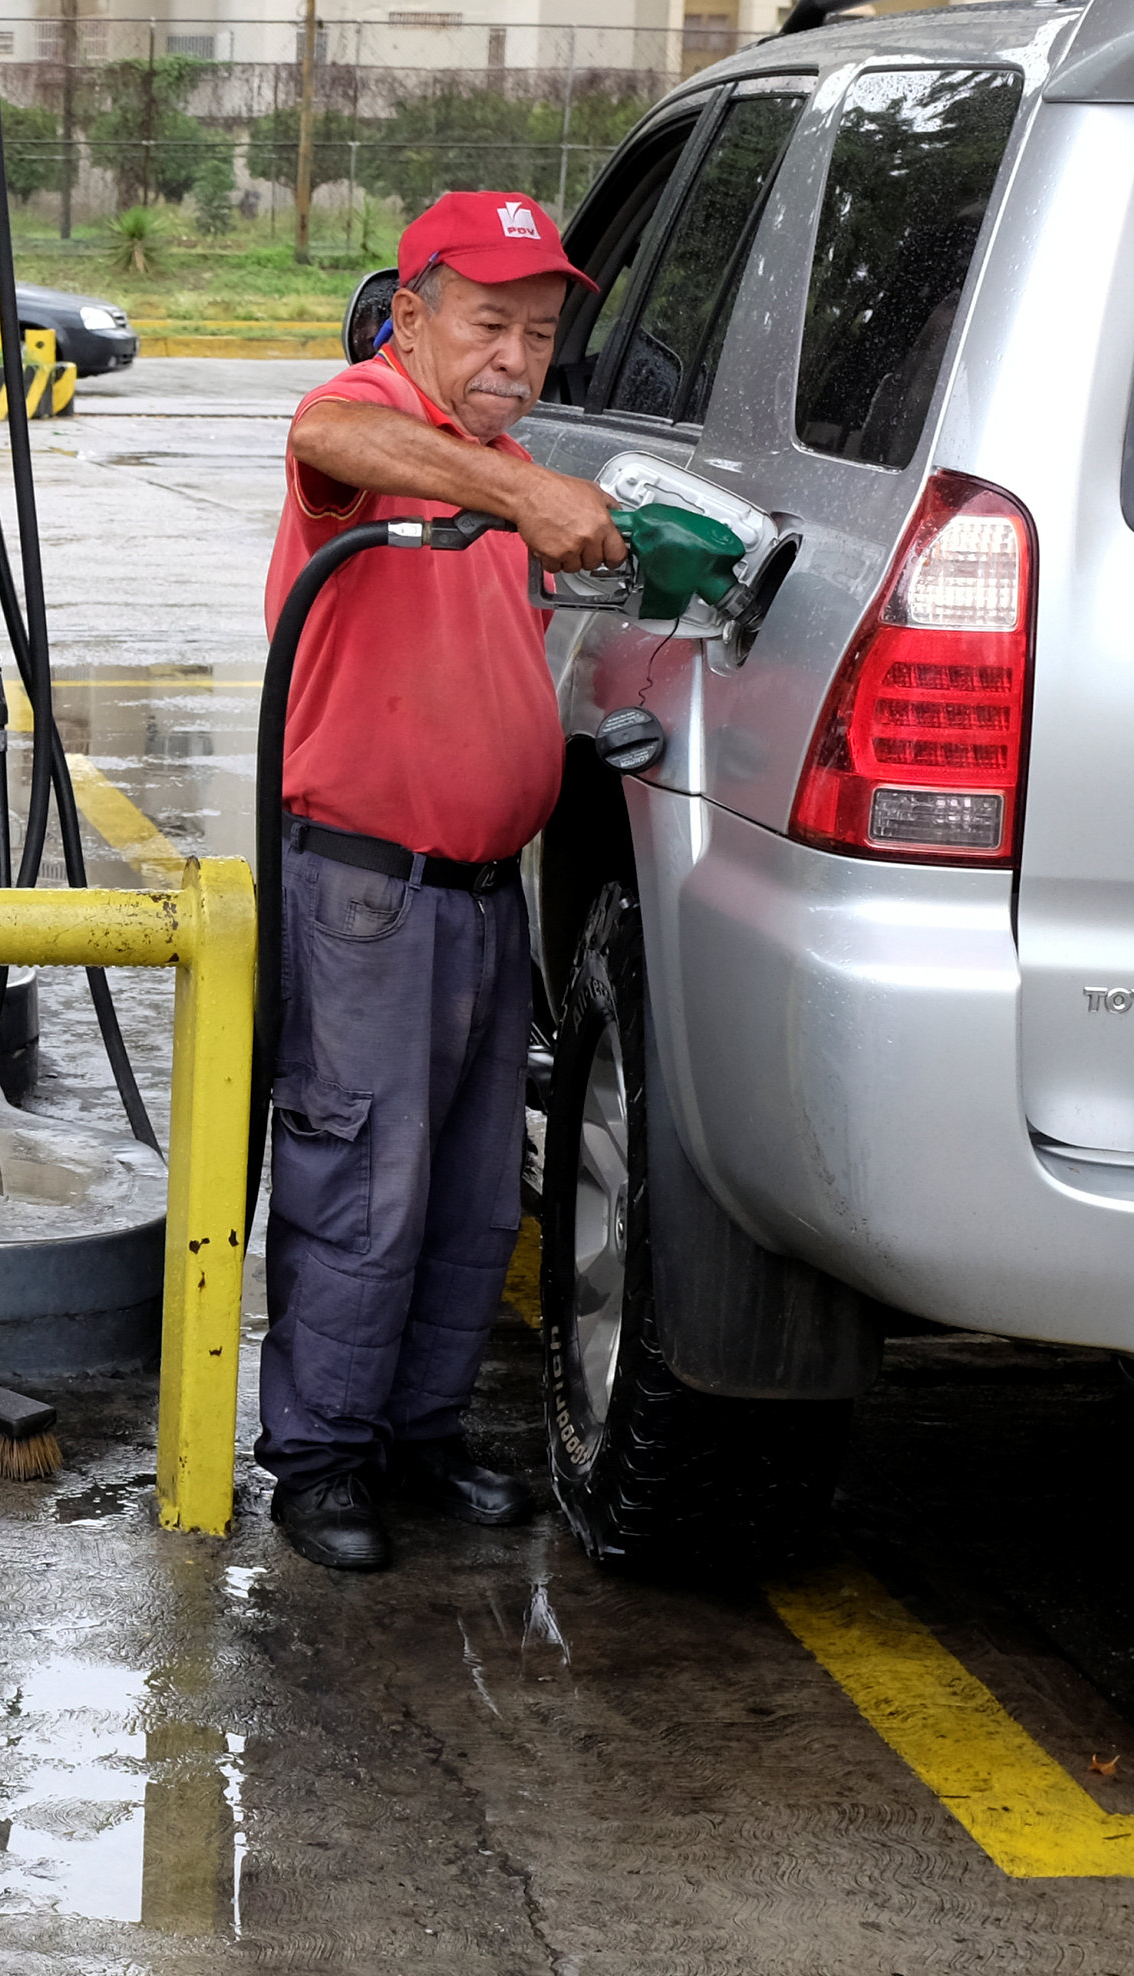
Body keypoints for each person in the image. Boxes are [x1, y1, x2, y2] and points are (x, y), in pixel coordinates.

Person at [256, 189, 630, 1572]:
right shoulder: (371, 425)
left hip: (480, 892)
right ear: (408, 317)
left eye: (538, 334)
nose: (515, 360)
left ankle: (420, 1433)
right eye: (488, 325)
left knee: (475, 1187)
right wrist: (525, 489)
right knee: (367, 1173)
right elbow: (322, 435)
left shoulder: (495, 456)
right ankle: (323, 1454)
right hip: (367, 889)